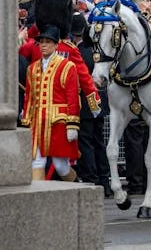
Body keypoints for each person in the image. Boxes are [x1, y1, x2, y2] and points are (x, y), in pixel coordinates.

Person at [20, 25, 81, 181]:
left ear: (55, 44)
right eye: (41, 42)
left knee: (61, 165)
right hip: (37, 123)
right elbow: (29, 96)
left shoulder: (67, 66)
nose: (43, 45)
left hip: (58, 122)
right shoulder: (32, 68)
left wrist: (72, 124)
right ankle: (39, 201)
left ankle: (75, 185)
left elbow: (72, 97)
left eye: (47, 42)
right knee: (36, 162)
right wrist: (26, 118)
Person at [71, 13, 112, 196]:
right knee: (99, 142)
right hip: (99, 102)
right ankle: (105, 180)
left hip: (85, 103)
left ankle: (92, 179)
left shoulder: (76, 53)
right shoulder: (96, 51)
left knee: (86, 143)